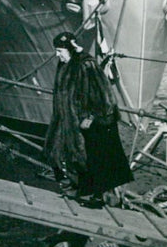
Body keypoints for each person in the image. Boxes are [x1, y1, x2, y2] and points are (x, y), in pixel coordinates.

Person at [42, 31, 131, 204]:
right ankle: (74, 188)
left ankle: (95, 196)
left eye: (60, 51)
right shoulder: (64, 65)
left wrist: (91, 117)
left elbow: (104, 95)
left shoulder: (86, 64)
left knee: (91, 158)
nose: (57, 54)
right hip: (65, 119)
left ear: (70, 49)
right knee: (55, 152)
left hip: (86, 122)